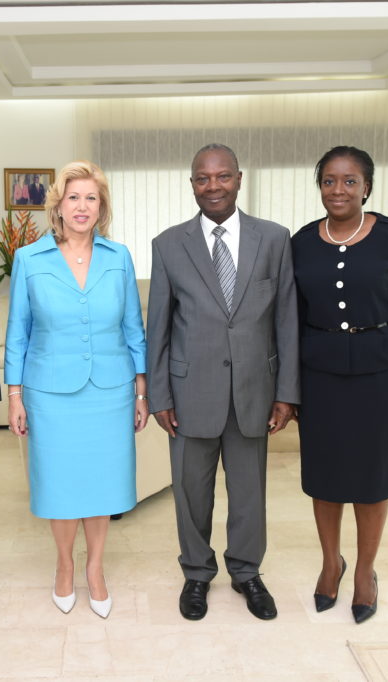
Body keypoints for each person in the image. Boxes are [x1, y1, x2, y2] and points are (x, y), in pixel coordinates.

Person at [146, 143, 300, 622]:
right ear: (192, 183)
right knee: (191, 492)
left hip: (255, 391)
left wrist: (287, 393)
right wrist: (159, 395)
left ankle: (247, 571)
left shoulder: (274, 239)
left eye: (222, 176)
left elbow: (287, 319)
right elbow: (160, 327)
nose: (212, 186)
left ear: (239, 178)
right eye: (201, 178)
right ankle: (196, 573)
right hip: (190, 392)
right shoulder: (168, 244)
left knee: (250, 492)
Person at [5, 161, 148, 619]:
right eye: (73, 197)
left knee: (103, 484)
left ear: (100, 205)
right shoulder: (30, 258)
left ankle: (96, 569)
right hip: (50, 395)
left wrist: (141, 391)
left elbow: (133, 326)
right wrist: (15, 396)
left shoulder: (118, 256)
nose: (82, 206)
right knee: (62, 484)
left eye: (91, 197)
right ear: (58, 206)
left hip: (111, 390)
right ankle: (65, 566)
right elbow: (18, 333)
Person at [291, 145, 388, 624]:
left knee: (373, 482)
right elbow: (293, 320)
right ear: (320, 186)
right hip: (320, 377)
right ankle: (332, 564)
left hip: (381, 377)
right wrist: (288, 388)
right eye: (329, 180)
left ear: (367, 186)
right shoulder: (303, 242)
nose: (339, 190)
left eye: (350, 181)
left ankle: (365, 572)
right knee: (325, 480)